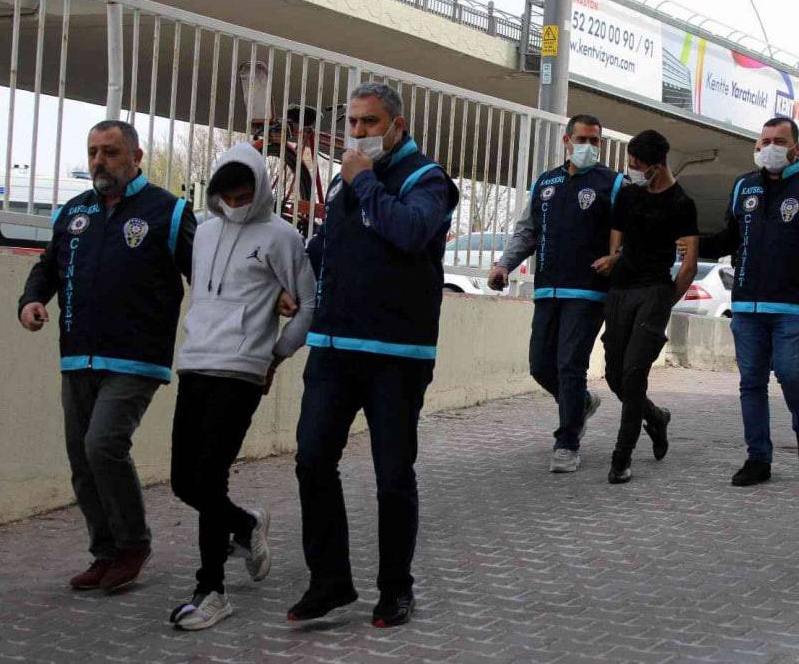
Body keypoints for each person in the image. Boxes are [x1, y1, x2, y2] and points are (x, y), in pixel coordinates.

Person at [289, 83, 459, 628]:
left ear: (397, 126)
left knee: (392, 475)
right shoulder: (349, 182)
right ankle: (330, 581)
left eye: (371, 122)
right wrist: (296, 280)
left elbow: (409, 232)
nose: (359, 132)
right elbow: (331, 244)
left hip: (395, 355)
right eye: (354, 123)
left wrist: (362, 180)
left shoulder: (426, 179)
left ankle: (396, 588)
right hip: (333, 348)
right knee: (313, 459)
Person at [18, 120, 196, 592]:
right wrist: (31, 301)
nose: (99, 161)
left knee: (103, 444)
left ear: (135, 158)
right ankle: (105, 552)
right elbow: (48, 268)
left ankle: (133, 544)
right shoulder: (73, 212)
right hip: (78, 357)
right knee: (82, 458)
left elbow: (205, 274)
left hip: (136, 359)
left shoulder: (168, 211)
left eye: (111, 152)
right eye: (93, 151)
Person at [167, 144, 316, 630]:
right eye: (227, 195)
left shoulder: (282, 237)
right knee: (184, 481)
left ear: (261, 187)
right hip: (195, 362)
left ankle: (211, 589)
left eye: (244, 193)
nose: (235, 202)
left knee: (210, 477)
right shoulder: (204, 232)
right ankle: (245, 524)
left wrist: (277, 354)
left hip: (242, 369)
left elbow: (311, 304)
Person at [697, 117, 799, 486]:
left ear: (797, 148)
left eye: (779, 141)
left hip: (794, 307)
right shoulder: (743, 186)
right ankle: (758, 458)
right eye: (765, 140)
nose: (770, 147)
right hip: (747, 307)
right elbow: (730, 238)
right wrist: (693, 242)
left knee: (791, 373)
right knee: (751, 383)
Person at [487, 113, 625, 473]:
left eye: (595, 140)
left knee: (570, 365)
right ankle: (581, 403)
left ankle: (567, 442)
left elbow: (628, 233)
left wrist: (616, 259)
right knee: (540, 365)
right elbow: (527, 232)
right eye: (582, 140)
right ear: (567, 141)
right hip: (547, 289)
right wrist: (503, 265)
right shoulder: (545, 183)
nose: (588, 146)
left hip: (588, 292)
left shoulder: (612, 183)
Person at [595, 130, 698, 484]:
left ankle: (621, 457)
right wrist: (613, 260)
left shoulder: (682, 203)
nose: (632, 170)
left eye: (638, 165)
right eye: (630, 164)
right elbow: (616, 245)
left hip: (654, 291)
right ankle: (655, 417)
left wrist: (665, 302)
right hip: (621, 292)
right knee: (614, 375)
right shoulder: (627, 196)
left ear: (657, 165)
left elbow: (689, 265)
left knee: (634, 372)